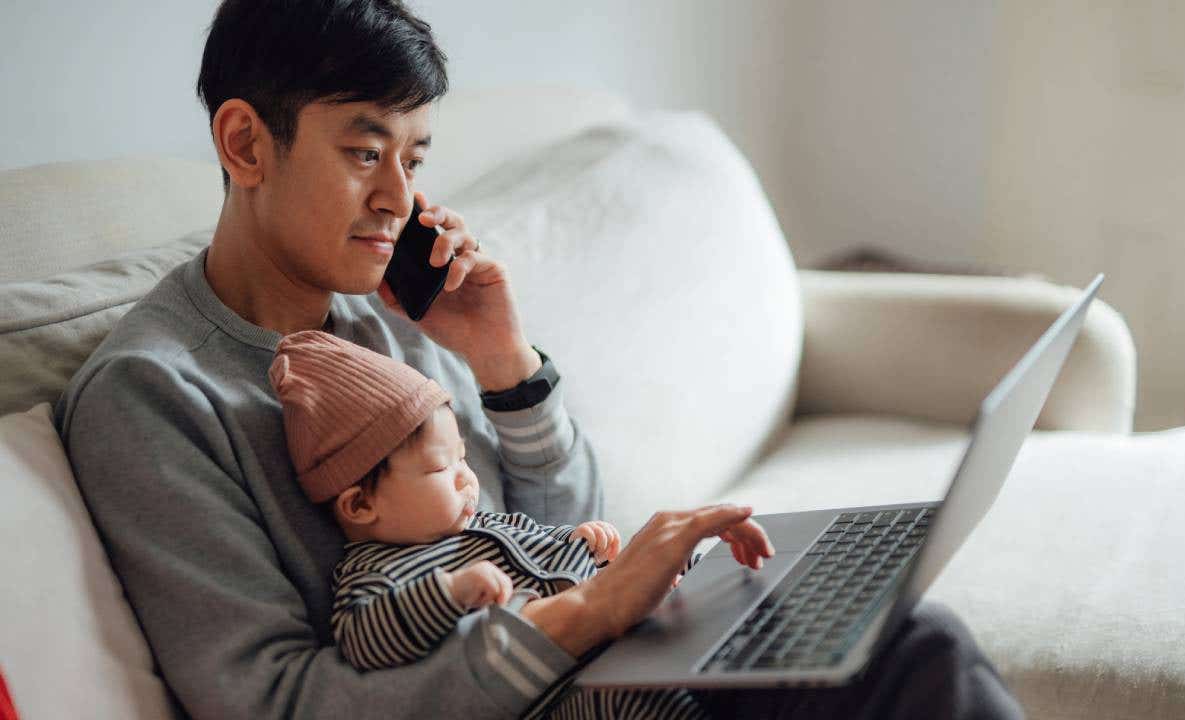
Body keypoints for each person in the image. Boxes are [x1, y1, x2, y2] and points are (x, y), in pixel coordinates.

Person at [53, 1, 1026, 718]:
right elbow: (275, 703)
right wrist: (586, 616)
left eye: (414, 158)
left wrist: (498, 356)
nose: (397, 195)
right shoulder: (150, 397)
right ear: (245, 142)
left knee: (907, 643)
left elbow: (554, 527)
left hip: (596, 674)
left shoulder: (380, 323)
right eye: (363, 152)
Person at [268, 329, 747, 719]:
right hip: (561, 696)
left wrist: (581, 542)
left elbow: (544, 549)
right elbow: (365, 640)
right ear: (359, 506)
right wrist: (451, 593)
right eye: (441, 469)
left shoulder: (487, 525)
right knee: (632, 700)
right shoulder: (374, 573)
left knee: (713, 592)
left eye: (464, 459)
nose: (467, 479)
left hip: (614, 643)